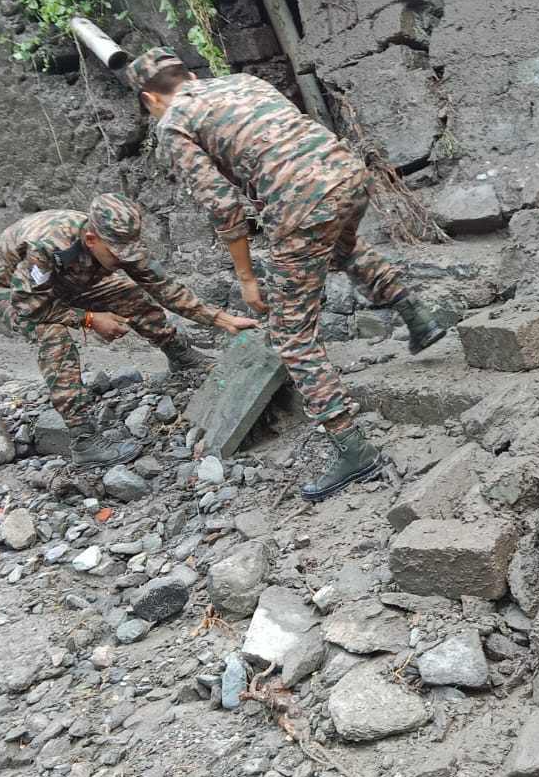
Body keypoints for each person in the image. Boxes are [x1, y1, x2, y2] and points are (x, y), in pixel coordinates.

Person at [131, 46, 453, 502]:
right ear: (190, 74)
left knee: (292, 335)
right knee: (343, 245)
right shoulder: (242, 82)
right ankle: (419, 317)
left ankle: (353, 449)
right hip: (348, 174)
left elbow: (222, 206)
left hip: (301, 203)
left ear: (150, 98)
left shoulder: (173, 122)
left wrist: (247, 278)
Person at [0, 192, 258, 466]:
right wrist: (90, 319)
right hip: (5, 290)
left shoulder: (120, 241)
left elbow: (164, 288)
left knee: (130, 294)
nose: (124, 260)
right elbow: (31, 308)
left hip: (61, 283)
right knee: (54, 335)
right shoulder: (48, 247)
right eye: (117, 254)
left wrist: (222, 319)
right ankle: (84, 440)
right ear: (91, 240)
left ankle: (180, 356)